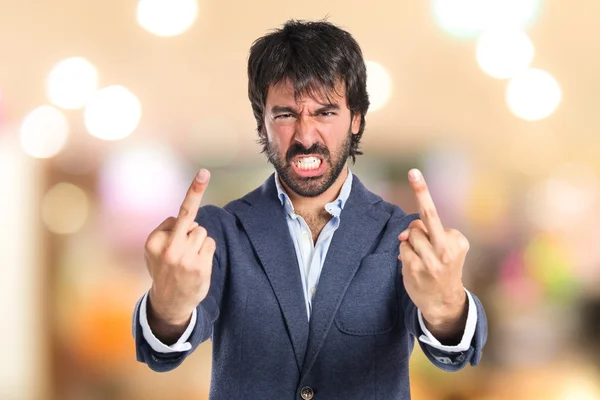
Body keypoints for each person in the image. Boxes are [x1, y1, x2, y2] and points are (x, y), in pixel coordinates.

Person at [132, 19, 487, 400]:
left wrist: (448, 305)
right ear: (262, 123)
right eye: (285, 114)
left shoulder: (402, 236)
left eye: (325, 112)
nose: (304, 136)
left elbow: (453, 352)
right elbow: (163, 350)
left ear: (356, 119)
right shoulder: (220, 232)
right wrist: (168, 308)